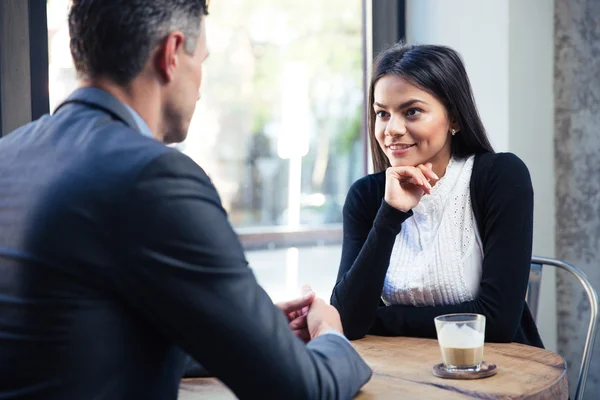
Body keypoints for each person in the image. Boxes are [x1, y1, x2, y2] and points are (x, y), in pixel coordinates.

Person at [0, 1, 371, 399]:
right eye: (201, 61)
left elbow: (74, 341)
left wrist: (245, 330)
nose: (201, 84)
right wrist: (331, 333)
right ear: (171, 54)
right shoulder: (154, 176)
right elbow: (301, 389)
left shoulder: (9, 154)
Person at [330, 43, 543, 348]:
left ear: (454, 118)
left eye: (412, 111)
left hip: (497, 374)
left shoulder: (501, 176)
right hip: (404, 375)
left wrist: (377, 319)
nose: (392, 129)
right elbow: (348, 320)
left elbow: (496, 323)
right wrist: (390, 214)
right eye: (382, 113)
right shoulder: (366, 196)